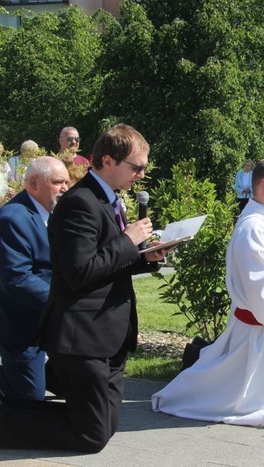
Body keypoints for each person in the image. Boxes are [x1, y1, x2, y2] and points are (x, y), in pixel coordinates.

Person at [0, 124, 169, 453]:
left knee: (102, 426)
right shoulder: (81, 203)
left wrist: (145, 256)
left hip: (109, 333)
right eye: (137, 167)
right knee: (91, 435)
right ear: (108, 161)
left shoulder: (108, 200)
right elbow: (80, 272)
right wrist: (127, 241)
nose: (142, 174)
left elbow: (108, 261)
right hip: (83, 335)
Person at [152, 157, 264, 433]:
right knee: (234, 397)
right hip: (257, 335)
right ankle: (185, 394)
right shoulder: (253, 228)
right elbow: (261, 287)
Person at [0, 157, 69, 402]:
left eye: (66, 182)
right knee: (29, 400)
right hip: (23, 327)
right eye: (58, 182)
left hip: (54, 327)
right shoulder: (13, 218)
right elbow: (16, 279)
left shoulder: (55, 216)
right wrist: (61, 302)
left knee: (82, 385)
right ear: (33, 183)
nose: (65, 188)